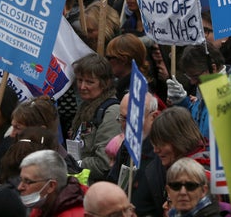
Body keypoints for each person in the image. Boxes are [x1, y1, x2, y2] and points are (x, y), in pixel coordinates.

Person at [67, 53, 121, 184]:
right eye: (80, 80)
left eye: (89, 82)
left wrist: (73, 164)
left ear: (105, 83)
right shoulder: (87, 105)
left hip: (95, 188)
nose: (82, 87)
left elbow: (103, 163)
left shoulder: (112, 112)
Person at [18, 150, 86, 217]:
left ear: (51, 186)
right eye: (21, 180)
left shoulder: (74, 214)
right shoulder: (42, 207)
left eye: (27, 181)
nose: (19, 187)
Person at [105, 33, 150, 98]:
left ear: (123, 60)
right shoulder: (120, 85)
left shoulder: (133, 94)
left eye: (109, 58)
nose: (106, 61)